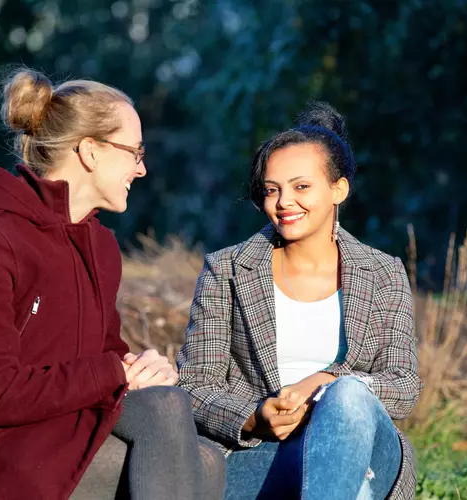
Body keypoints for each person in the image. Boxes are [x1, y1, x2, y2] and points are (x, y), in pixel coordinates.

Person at [0, 69, 225, 500]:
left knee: (181, 422)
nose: (143, 168)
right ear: (91, 152)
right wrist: (114, 371)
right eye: (134, 152)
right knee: (190, 456)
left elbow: (99, 357)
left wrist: (141, 371)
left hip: (60, 426)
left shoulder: (99, 245)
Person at [177, 101, 423, 500]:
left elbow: (404, 385)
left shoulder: (383, 273)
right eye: (272, 190)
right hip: (259, 456)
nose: (284, 202)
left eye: (301, 186)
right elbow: (192, 386)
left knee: (347, 397)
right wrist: (255, 417)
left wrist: (329, 385)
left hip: (368, 450)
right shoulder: (227, 270)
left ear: (338, 189)